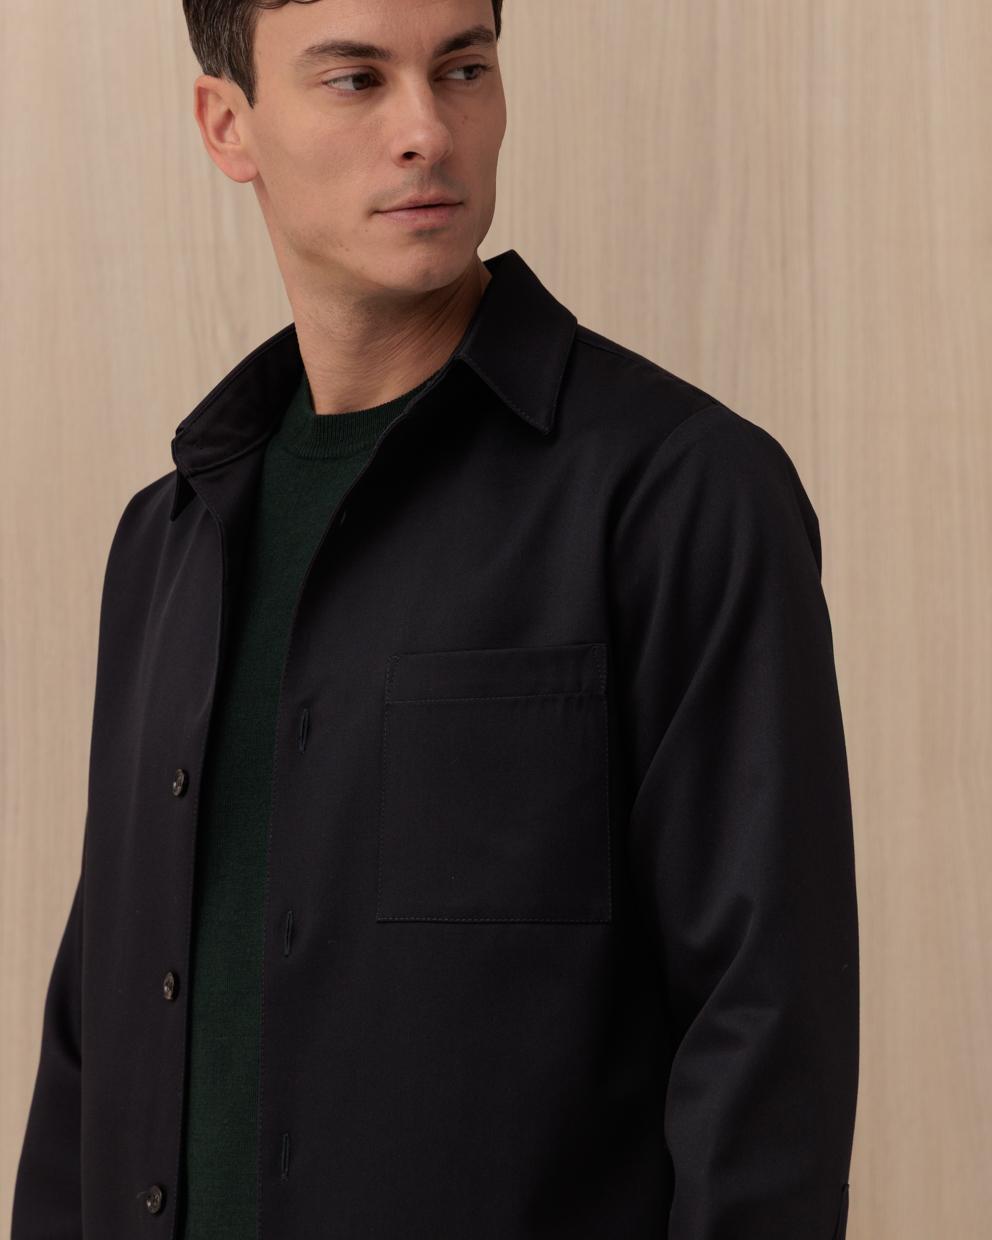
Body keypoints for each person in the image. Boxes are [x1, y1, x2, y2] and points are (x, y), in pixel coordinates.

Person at [12, 1, 858, 1237]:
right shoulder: (166, 538)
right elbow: (94, 1034)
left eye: (461, 68)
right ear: (228, 124)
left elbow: (764, 1032)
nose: (427, 129)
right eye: (356, 79)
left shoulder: (680, 494)